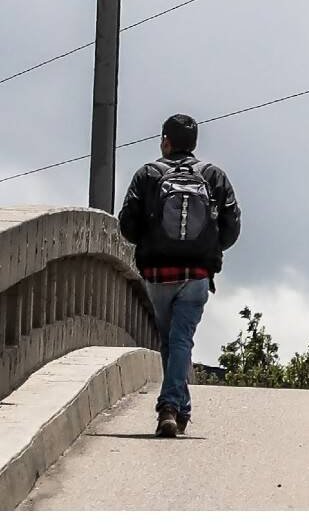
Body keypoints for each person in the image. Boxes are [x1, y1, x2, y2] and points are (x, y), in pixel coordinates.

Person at [118, 114, 241, 437]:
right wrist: (208, 248)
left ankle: (171, 407)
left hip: (158, 273)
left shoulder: (148, 174)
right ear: (194, 143)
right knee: (180, 339)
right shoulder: (213, 175)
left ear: (165, 141)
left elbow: (127, 225)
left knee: (171, 340)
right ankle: (176, 407)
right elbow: (232, 227)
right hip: (197, 274)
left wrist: (151, 239)